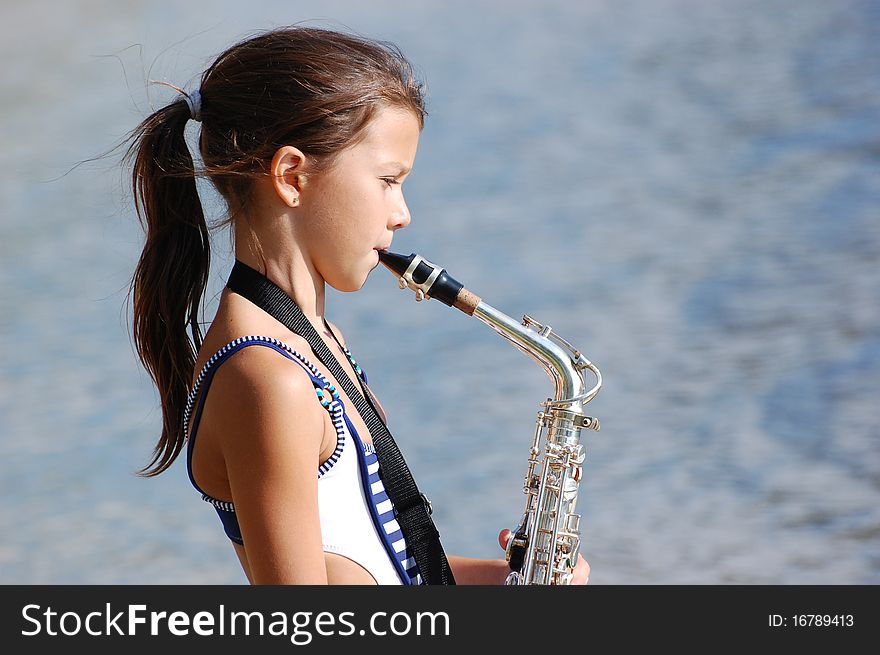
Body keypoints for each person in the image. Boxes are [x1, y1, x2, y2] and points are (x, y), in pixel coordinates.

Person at [125, 25, 590, 585]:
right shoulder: (270, 379)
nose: (403, 214)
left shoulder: (313, 344)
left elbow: (384, 568)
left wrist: (511, 581)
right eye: (389, 181)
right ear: (292, 175)